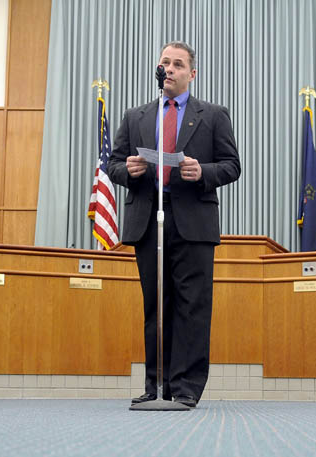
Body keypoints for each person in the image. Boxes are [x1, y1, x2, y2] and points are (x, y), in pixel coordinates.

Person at [108, 41, 241, 408]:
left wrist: (203, 172)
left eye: (178, 64)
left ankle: (185, 388)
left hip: (193, 223)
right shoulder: (135, 116)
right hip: (148, 221)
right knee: (156, 305)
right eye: (165, 62)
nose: (169, 68)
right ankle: (156, 386)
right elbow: (113, 164)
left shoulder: (213, 115)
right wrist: (128, 171)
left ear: (191, 74)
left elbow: (232, 165)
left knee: (191, 307)